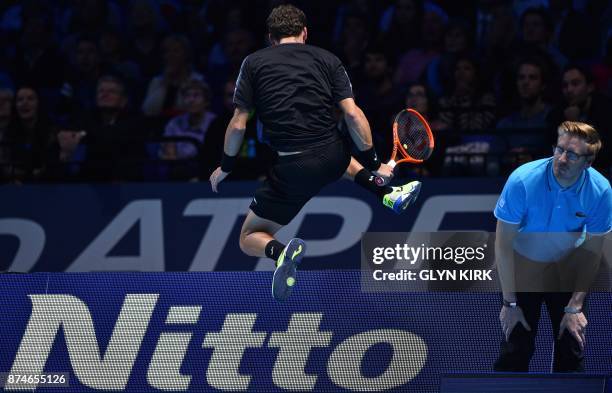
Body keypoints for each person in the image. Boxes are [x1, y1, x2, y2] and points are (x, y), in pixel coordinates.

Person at [209, 4, 421, 302]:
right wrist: (375, 163)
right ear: (305, 33)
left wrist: (226, 167)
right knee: (343, 160)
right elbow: (353, 115)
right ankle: (386, 192)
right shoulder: (328, 58)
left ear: (271, 37)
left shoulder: (253, 63)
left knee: (248, 237)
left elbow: (238, 124)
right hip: (333, 153)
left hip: (293, 167)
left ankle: (281, 252)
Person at [493, 121, 611, 372]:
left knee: (571, 346)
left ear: (588, 162)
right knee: (515, 348)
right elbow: (503, 245)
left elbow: (593, 253)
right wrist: (509, 305)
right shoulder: (522, 180)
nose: (562, 158)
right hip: (523, 264)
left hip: (567, 266)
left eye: (572, 154)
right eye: (559, 150)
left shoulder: (600, 191)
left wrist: (575, 306)